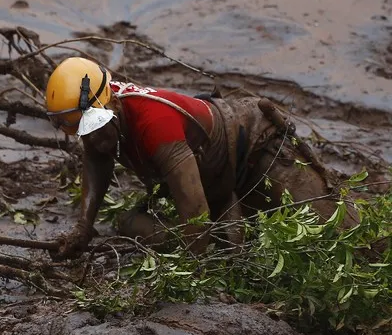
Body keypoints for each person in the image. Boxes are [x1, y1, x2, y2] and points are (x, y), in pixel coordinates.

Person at [44, 57, 353, 257]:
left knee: (339, 238)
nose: (91, 137)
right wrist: (84, 226)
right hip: (210, 175)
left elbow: (195, 211)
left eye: (94, 125)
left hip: (255, 150)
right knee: (132, 224)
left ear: (111, 103)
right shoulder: (96, 121)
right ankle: (232, 238)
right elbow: (98, 160)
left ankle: (233, 237)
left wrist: (192, 278)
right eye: (79, 131)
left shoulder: (155, 123)